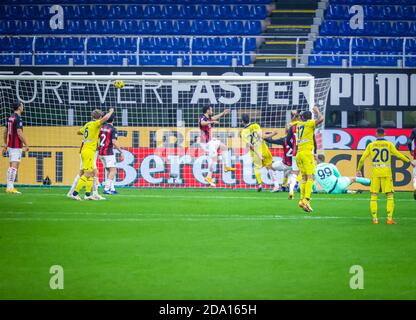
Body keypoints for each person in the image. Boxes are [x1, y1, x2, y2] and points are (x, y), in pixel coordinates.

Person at [357, 128, 414, 224]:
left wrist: (358, 169)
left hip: (375, 173)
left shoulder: (371, 145)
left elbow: (362, 158)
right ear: (384, 134)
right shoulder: (389, 144)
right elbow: (398, 154)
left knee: (374, 195)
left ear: (376, 134)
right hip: (386, 173)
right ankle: (389, 219)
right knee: (390, 195)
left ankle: (375, 219)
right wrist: (409, 161)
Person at [70, 108, 114, 201]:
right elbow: (106, 118)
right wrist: (111, 111)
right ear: (99, 117)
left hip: (86, 150)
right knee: (87, 173)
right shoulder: (95, 124)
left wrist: (88, 136)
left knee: (93, 173)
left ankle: (87, 194)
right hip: (89, 151)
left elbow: (78, 132)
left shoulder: (88, 124)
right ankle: (75, 193)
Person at [295, 106, 324, 213]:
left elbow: (292, 122)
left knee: (304, 177)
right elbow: (321, 119)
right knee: (311, 176)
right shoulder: (309, 123)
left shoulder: (298, 124)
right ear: (310, 117)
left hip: (299, 154)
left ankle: (301, 200)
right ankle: (306, 200)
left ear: (302, 117)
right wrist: (317, 111)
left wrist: (296, 114)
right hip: (307, 153)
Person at [240, 114, 280, 192]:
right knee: (269, 166)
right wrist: (273, 134)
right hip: (263, 149)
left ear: (242, 122)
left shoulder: (243, 132)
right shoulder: (255, 125)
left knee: (256, 167)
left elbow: (250, 145)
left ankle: (259, 184)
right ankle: (276, 185)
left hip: (255, 152)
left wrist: (258, 155)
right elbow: (263, 136)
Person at [198, 106, 235, 187]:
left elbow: (214, 117)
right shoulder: (202, 117)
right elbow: (202, 123)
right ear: (207, 111)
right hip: (206, 143)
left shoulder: (208, 118)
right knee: (215, 158)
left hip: (210, 141)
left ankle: (226, 166)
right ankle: (208, 177)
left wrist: (223, 113)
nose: (212, 111)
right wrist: (211, 122)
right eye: (211, 110)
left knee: (224, 147)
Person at [2, 101, 29, 194]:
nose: (23, 107)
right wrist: (26, 144)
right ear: (18, 107)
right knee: (14, 166)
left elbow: (5, 131)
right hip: (16, 146)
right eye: (22, 105)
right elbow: (19, 132)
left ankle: (9, 186)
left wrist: (5, 143)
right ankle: (10, 187)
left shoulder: (10, 117)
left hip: (11, 145)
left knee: (12, 166)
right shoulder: (18, 118)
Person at [98, 114, 123, 195]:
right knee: (113, 171)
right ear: (113, 120)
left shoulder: (101, 127)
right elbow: (114, 142)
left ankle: (112, 188)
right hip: (108, 152)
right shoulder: (113, 129)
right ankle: (106, 188)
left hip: (101, 152)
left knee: (109, 170)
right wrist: (121, 152)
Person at [285, 110, 301, 200]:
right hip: (304, 151)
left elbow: (287, 140)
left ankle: (291, 190)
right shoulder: (306, 125)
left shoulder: (291, 126)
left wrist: (293, 146)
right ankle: (305, 192)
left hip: (295, 152)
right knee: (307, 172)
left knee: (294, 172)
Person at [407, 127, 416, 200]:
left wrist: (410, 150)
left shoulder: (414, 130)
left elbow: (409, 142)